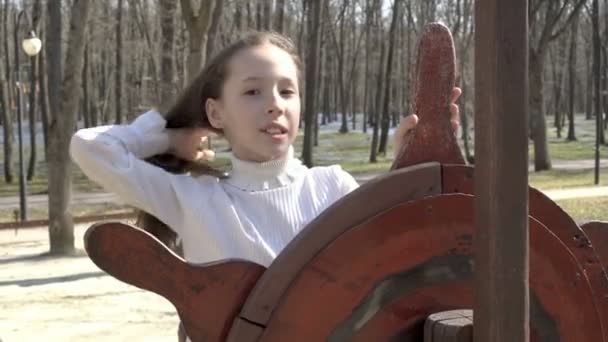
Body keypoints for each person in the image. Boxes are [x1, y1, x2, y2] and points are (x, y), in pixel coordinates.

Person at [71, 30, 460, 273]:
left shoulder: (332, 189)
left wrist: (408, 161)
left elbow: (397, 251)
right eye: (253, 91)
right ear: (215, 112)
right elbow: (89, 147)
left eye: (287, 91)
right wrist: (170, 140)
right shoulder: (192, 199)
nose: (275, 104)